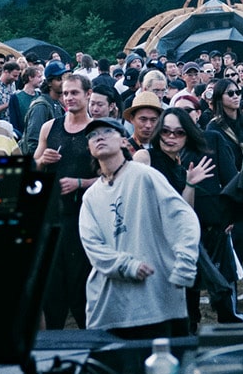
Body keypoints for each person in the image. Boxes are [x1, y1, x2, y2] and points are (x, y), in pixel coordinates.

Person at [79, 116, 201, 338]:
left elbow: (183, 218)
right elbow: (92, 246)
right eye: (93, 135)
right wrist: (127, 266)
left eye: (107, 132)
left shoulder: (145, 176)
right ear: (88, 147)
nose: (100, 138)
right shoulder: (91, 196)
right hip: (111, 306)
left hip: (156, 301)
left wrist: (185, 262)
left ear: (124, 142)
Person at [151, 106, 241, 328]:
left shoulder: (209, 144)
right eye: (166, 131)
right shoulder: (153, 158)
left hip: (210, 225)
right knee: (187, 295)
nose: (171, 137)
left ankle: (227, 324)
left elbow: (231, 179)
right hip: (174, 236)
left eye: (179, 132)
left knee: (221, 286)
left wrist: (229, 214)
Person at [35, 73, 99, 329]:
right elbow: (34, 169)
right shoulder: (50, 127)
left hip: (86, 220)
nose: (69, 98)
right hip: (53, 220)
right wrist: (41, 161)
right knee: (53, 290)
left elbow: (112, 177)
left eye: (74, 93)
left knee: (82, 288)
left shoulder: (98, 130)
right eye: (65, 93)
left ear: (88, 94)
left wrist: (81, 183)